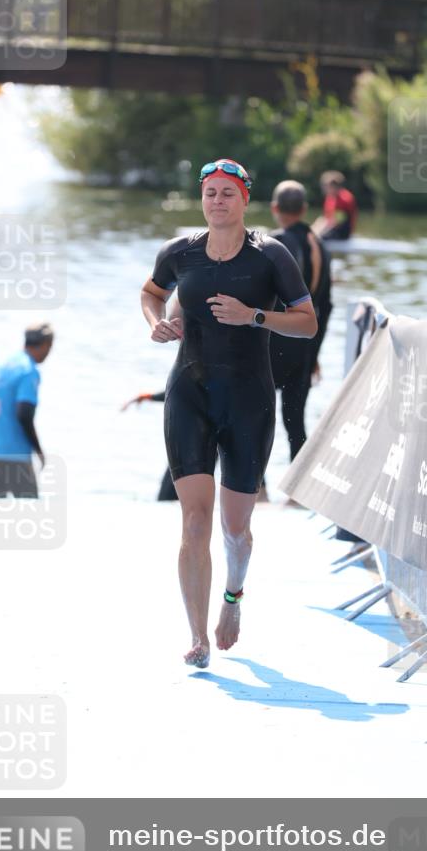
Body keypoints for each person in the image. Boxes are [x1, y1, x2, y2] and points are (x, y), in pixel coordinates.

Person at [140, 158, 317, 669]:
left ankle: (233, 597)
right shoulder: (180, 253)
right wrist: (155, 322)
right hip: (189, 393)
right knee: (194, 520)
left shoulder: (271, 257)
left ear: (245, 200)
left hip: (249, 401)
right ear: (202, 199)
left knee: (235, 529)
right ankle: (197, 636)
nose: (217, 201)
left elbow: (307, 323)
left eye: (227, 193)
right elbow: (152, 293)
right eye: (210, 193)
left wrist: (254, 316)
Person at [269, 179, 332, 463]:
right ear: (305, 208)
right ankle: (298, 493)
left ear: (275, 208)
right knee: (294, 421)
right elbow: (326, 306)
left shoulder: (277, 242)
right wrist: (315, 351)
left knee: (257, 415)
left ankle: (259, 490)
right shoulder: (320, 244)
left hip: (278, 343)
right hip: (306, 344)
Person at [0, 323, 54, 498]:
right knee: (31, 515)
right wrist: (39, 450)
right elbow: (24, 414)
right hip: (14, 457)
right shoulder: (29, 371)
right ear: (45, 345)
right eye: (49, 347)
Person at [312, 170, 358, 241]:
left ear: (333, 186)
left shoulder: (345, 199)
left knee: (317, 238)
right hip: (335, 228)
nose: (324, 188)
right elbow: (327, 217)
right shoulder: (330, 198)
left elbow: (338, 221)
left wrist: (319, 230)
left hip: (343, 233)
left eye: (325, 186)